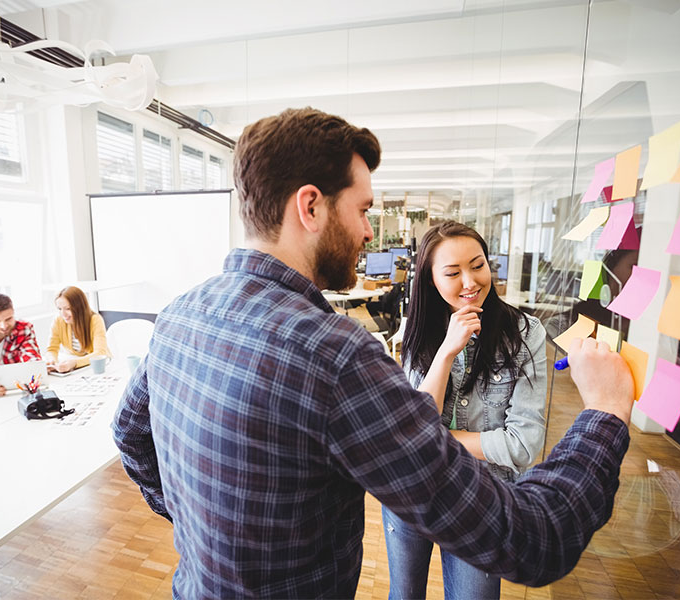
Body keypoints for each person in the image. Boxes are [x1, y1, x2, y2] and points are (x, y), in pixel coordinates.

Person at [112, 107, 635, 599]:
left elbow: (129, 434)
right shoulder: (336, 355)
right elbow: (532, 539)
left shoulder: (179, 314)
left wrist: (196, 524)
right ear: (310, 205)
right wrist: (606, 413)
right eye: (362, 209)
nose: (368, 229)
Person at [382, 220, 548, 600]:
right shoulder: (420, 329)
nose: (471, 282)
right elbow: (414, 431)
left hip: (481, 502)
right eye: (453, 273)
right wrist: (446, 351)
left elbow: (522, 445)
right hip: (413, 494)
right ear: (430, 281)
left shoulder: (525, 334)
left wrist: (436, 439)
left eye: (478, 265)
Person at [45, 286, 110, 373]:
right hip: (78, 369)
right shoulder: (58, 320)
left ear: (79, 308)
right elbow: (52, 349)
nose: (63, 314)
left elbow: (100, 353)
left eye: (68, 309)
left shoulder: (95, 320)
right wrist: (51, 361)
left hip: (99, 365)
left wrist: (75, 363)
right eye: (59, 309)